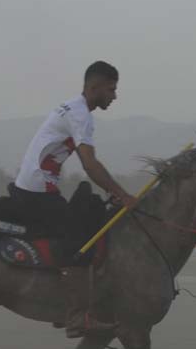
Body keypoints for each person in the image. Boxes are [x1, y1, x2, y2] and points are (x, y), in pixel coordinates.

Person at [10, 61, 137, 238]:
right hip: (37, 189)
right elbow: (90, 164)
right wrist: (123, 196)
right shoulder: (81, 116)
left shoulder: (73, 106)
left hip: (31, 183)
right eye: (111, 89)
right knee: (80, 235)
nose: (114, 96)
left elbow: (87, 160)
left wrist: (112, 190)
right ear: (94, 87)